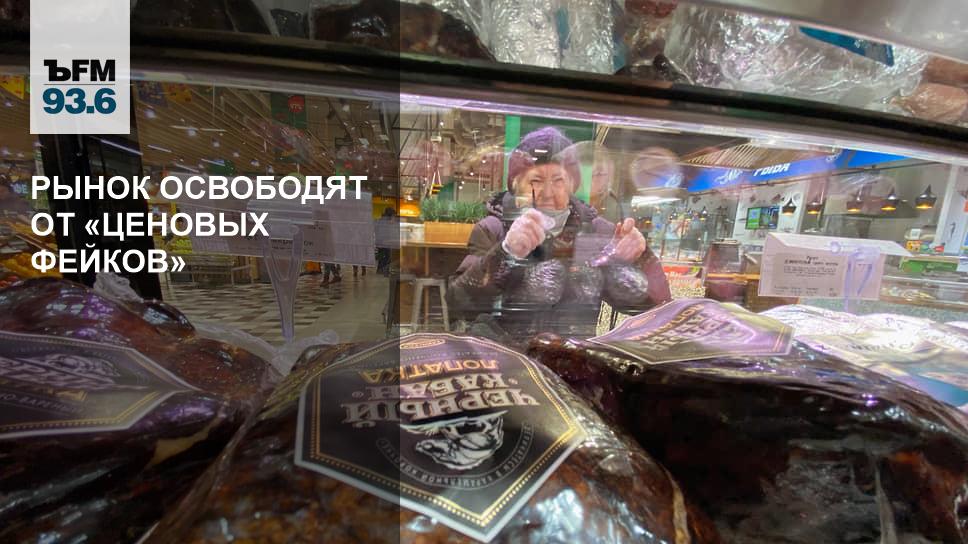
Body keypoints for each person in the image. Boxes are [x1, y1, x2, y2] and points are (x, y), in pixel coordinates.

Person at [448, 127, 671, 347]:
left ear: (572, 185)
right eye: (535, 181)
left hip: (575, 360)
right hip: (510, 360)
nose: (548, 193)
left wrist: (638, 259)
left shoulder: (598, 231)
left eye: (558, 180)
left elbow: (656, 307)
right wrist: (504, 252)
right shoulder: (493, 228)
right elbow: (459, 303)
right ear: (516, 186)